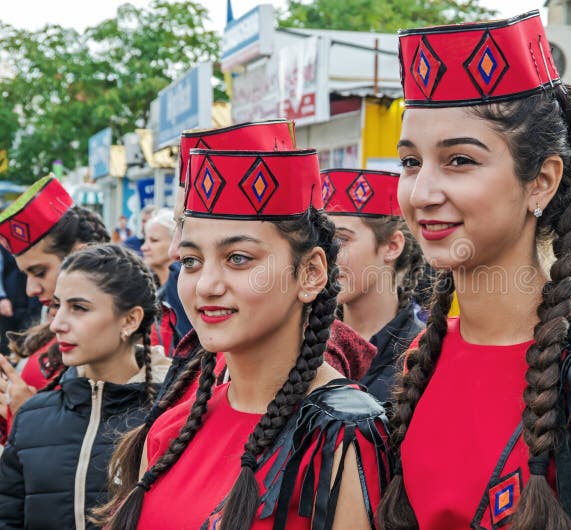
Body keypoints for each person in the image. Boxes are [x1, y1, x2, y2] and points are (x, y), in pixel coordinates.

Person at [378, 11, 571, 530]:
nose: (422, 193)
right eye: (411, 162)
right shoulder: (424, 356)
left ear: (541, 182)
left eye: (459, 160)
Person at [97, 144, 389, 529]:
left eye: (238, 258)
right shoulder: (172, 429)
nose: (207, 285)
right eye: (191, 261)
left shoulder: (342, 435)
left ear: (311, 273)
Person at [0, 244, 170, 529]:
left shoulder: (173, 415)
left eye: (78, 308)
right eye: (57, 306)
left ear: (130, 320)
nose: (57, 324)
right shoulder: (31, 418)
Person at [0, 176, 110, 443]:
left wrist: (26, 414)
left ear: (80, 255)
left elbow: (102, 446)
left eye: (39, 272)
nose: (31, 290)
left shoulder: (124, 333)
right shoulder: (53, 326)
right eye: (26, 274)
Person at [323, 168, 425, 402]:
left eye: (341, 240)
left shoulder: (425, 351)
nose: (325, 257)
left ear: (391, 246)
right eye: (321, 241)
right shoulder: (309, 345)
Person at [141, 208, 189, 356]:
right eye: (145, 240)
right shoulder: (152, 287)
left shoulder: (180, 282)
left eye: (153, 240)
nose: (144, 247)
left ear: (175, 244)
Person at [0, 245, 41, 355]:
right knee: (7, 341)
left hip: (32, 302)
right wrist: (2, 298)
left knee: (30, 337)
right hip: (9, 301)